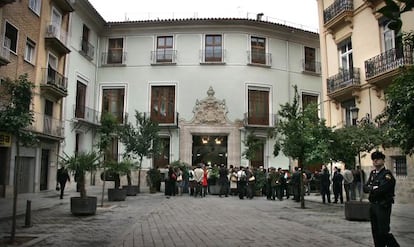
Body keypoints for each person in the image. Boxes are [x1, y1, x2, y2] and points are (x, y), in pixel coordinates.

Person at [364, 151, 399, 247]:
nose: (375, 161)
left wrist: (372, 188)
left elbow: (381, 190)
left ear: (383, 161)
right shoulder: (373, 173)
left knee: (383, 231)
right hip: (373, 206)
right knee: (375, 232)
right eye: (373, 159)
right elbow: (365, 188)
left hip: (383, 205)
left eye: (378, 159)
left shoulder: (387, 175)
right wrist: (373, 188)